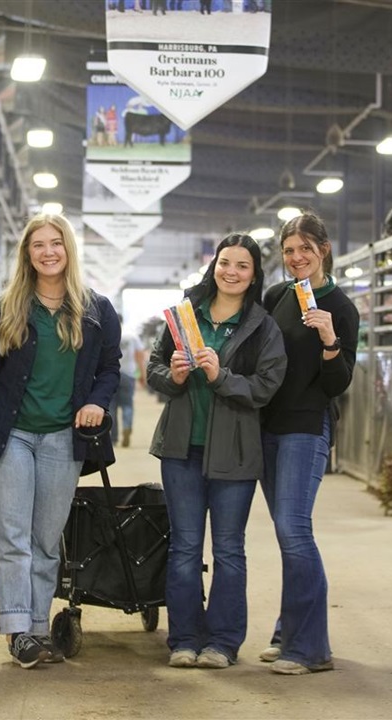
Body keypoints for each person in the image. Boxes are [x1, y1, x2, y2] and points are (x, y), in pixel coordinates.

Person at [0, 212, 121, 669]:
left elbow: (110, 368)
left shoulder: (96, 310)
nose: (48, 251)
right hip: (11, 434)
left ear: (68, 250)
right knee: (13, 536)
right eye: (38, 245)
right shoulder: (10, 305)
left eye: (56, 243)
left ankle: (35, 626)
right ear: (27, 254)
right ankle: (17, 631)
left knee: (47, 540)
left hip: (63, 438)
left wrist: (97, 402)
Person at [147, 234, 287, 669]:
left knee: (228, 550)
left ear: (253, 275)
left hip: (235, 452)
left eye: (242, 266)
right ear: (214, 266)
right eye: (225, 262)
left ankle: (223, 642)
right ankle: (184, 639)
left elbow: (266, 386)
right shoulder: (185, 315)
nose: (231, 271)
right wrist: (171, 375)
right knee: (185, 547)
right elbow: (153, 368)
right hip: (181, 448)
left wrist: (221, 376)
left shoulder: (262, 326)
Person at [259, 212, 360, 675]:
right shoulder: (276, 297)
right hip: (267, 427)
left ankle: (311, 648)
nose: (297, 258)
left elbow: (338, 383)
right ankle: (287, 630)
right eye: (289, 251)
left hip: (307, 425)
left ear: (323, 249)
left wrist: (329, 338)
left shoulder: (342, 306)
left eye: (305, 249)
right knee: (286, 534)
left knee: (294, 530)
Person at [109, 314, 147, 447]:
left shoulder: (109, 333)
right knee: (127, 405)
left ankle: (113, 438)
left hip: (111, 374)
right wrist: (143, 375)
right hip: (129, 374)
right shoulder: (132, 336)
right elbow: (140, 357)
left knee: (111, 406)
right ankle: (127, 427)